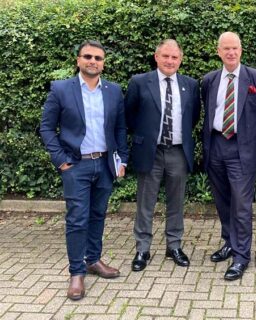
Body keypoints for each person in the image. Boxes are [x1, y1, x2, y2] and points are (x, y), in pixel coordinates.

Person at [40, 40, 128, 300]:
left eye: (98, 58)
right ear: (78, 60)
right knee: (77, 218)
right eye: (87, 56)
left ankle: (94, 260)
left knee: (98, 214)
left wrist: (121, 159)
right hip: (76, 165)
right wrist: (60, 160)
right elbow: (46, 127)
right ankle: (76, 272)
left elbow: (120, 128)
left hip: (104, 164)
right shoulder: (61, 89)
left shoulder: (113, 91)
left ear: (103, 63)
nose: (93, 61)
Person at [202, 31, 256, 281]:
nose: (231, 52)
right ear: (218, 51)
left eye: (235, 48)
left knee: (241, 205)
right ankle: (230, 242)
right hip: (216, 146)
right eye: (226, 48)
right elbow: (209, 112)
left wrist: (245, 133)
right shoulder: (209, 80)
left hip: (243, 149)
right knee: (223, 202)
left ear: (241, 50)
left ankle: (241, 256)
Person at [125, 39, 201, 270]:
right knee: (145, 203)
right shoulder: (139, 82)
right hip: (151, 151)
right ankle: (142, 249)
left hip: (178, 151)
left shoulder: (190, 84)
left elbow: (193, 116)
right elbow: (129, 115)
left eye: (174, 57)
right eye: (165, 56)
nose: (170, 61)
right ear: (156, 57)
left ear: (180, 59)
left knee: (176, 202)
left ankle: (174, 246)